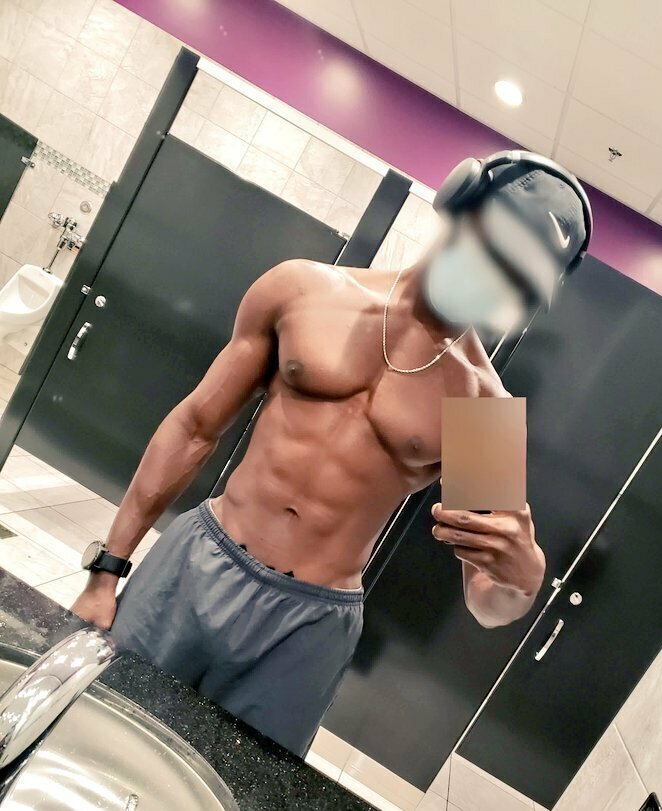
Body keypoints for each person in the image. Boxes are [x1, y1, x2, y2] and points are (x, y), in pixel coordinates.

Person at [71, 150, 591, 757]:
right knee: (92, 733)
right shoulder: (303, 290)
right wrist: (106, 571)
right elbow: (193, 427)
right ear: (459, 204)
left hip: (309, 625)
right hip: (198, 564)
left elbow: (486, 602)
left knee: (225, 788)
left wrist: (522, 581)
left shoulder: (482, 406)